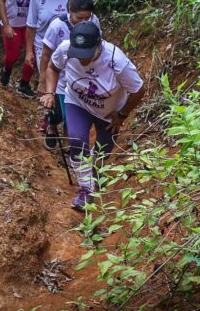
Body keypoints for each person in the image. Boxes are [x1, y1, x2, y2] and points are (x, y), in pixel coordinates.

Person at [40, 21, 145, 211]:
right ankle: (86, 190)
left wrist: (122, 115)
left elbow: (138, 90)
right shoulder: (65, 49)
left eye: (86, 55)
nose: (81, 60)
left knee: (102, 151)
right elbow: (53, 67)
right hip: (77, 102)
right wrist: (50, 92)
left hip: (109, 112)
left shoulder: (116, 61)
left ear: (99, 46)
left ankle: (96, 174)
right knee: (77, 140)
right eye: (78, 55)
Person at [39, 0, 100, 149]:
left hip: (81, 79)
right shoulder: (57, 26)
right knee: (57, 113)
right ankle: (51, 126)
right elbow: (46, 55)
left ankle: (70, 145)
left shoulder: (94, 23)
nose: (84, 22)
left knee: (70, 117)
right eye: (79, 18)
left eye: (87, 17)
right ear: (69, 11)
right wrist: (43, 82)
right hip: (60, 79)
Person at [25, 0, 77, 94]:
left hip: (68, 43)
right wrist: (29, 51)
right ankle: (51, 108)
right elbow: (31, 26)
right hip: (43, 44)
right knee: (50, 77)